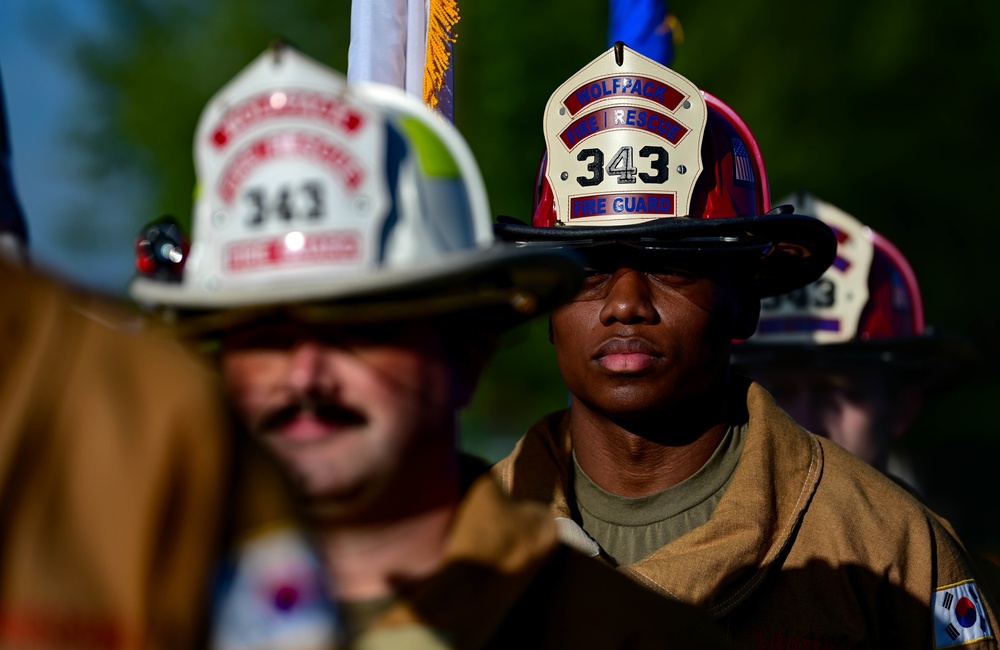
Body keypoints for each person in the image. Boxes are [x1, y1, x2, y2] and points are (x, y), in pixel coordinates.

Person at [129, 43, 730, 648]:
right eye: (265, 336)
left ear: (466, 356)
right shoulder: (128, 614)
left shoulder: (627, 637)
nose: (305, 376)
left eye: (359, 327)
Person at [493, 42, 999, 648]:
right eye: (589, 267)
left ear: (747, 301)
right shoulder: (439, 548)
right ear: (546, 303)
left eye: (672, 263)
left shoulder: (891, 551)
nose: (625, 302)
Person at [731, 192, 976, 489]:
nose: (805, 422)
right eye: (778, 393)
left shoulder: (926, 537)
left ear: (901, 407)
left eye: (836, 392)